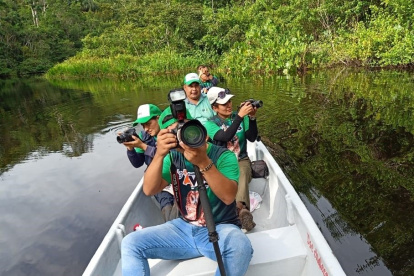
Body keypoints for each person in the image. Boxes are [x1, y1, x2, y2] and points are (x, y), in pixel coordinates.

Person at [121, 107, 253, 276]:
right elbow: (149, 189)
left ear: (200, 131)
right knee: (130, 243)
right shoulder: (173, 157)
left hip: (220, 227)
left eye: (184, 131)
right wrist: (160, 154)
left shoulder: (223, 155)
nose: (180, 138)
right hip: (183, 228)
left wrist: (203, 162)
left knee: (240, 246)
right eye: (172, 134)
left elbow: (228, 197)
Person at [204, 87, 259, 231]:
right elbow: (224, 137)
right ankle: (239, 211)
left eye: (229, 101)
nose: (229, 105)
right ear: (215, 107)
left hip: (241, 159)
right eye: (224, 103)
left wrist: (252, 118)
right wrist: (240, 116)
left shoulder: (239, 116)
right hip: (221, 161)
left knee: (242, 173)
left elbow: (252, 137)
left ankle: (241, 209)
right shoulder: (209, 124)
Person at [120, 103, 177, 222]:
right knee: (165, 202)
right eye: (143, 125)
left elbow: (170, 155)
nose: (146, 129)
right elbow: (137, 163)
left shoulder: (172, 131)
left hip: (176, 176)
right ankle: (170, 225)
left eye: (148, 124)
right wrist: (130, 148)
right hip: (158, 180)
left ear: (158, 118)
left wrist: (142, 146)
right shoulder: (144, 136)